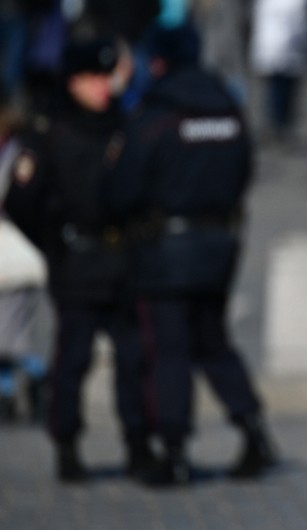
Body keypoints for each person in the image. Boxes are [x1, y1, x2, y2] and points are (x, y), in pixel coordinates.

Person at [102, 24, 277, 486]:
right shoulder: (228, 109)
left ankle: (174, 451)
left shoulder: (156, 113)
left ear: (159, 62)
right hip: (219, 244)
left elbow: (122, 189)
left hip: (163, 252)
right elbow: (244, 172)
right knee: (213, 341)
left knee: (168, 351)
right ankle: (254, 431)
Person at [2, 34, 156, 482]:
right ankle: (67, 446)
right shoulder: (50, 132)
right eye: (92, 78)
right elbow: (21, 200)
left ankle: (138, 443)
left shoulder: (125, 124)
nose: (102, 87)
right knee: (72, 360)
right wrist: (54, 241)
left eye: (105, 77)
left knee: (134, 359)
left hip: (122, 259)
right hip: (75, 262)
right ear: (72, 82)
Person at [0, 88, 48, 423]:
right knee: (9, 333)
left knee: (8, 334)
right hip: (12, 252)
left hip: (14, 255)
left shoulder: (20, 154)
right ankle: (14, 391)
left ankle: (38, 377)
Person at [249, 0, 307, 144]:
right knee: (274, 92)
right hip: (273, 50)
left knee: (286, 93)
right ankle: (276, 127)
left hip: (290, 50)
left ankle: (282, 127)